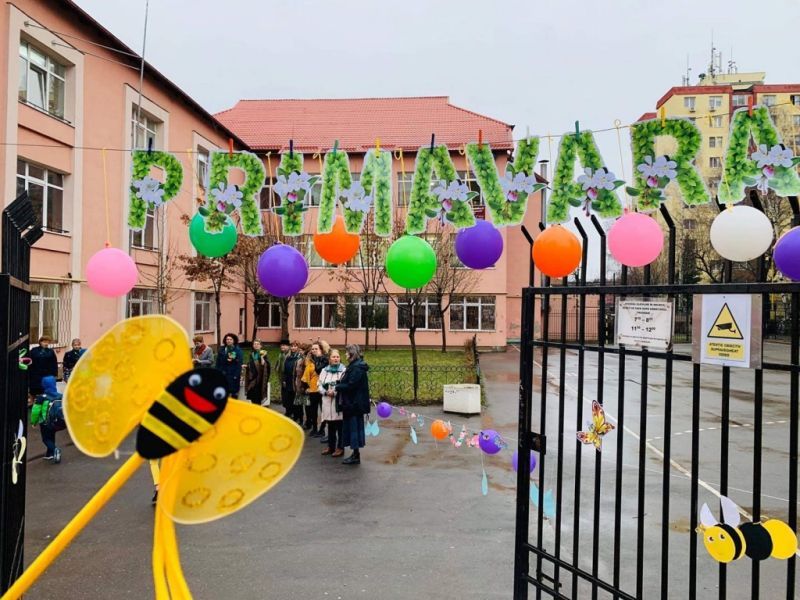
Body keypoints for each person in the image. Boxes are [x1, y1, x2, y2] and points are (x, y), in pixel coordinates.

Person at [335, 344, 370, 465]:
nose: (345, 354)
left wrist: (337, 386)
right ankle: (355, 454)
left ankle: (356, 455)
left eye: (346, 352)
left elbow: (351, 385)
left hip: (354, 404)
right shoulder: (355, 366)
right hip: (353, 403)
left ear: (351, 353)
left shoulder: (356, 368)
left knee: (354, 429)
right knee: (353, 429)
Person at [30, 375, 63, 464]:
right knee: (51, 436)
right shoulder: (60, 396)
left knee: (45, 439)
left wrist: (33, 422)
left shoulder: (41, 398)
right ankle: (50, 454)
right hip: (58, 421)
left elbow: (35, 411)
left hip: (45, 422)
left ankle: (55, 450)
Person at [318, 349, 345, 457]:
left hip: (337, 402)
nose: (336, 359)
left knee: (340, 426)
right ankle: (331, 446)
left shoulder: (344, 371)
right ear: (329, 359)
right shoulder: (325, 370)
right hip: (326, 401)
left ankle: (340, 447)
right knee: (330, 425)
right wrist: (324, 391)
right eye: (333, 357)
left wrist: (335, 392)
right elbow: (319, 384)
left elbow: (344, 385)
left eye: (337, 357)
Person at [302, 342, 328, 437]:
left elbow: (319, 370)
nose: (313, 350)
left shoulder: (324, 359)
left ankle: (322, 429)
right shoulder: (310, 360)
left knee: (323, 410)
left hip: (322, 389)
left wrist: (317, 358)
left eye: (316, 349)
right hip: (312, 388)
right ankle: (314, 428)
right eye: (312, 349)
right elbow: (306, 373)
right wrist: (306, 386)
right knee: (313, 410)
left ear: (321, 349)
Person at [276, 340, 302, 419]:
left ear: (298, 347)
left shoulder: (299, 357)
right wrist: (283, 379)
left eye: (295, 346)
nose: (293, 348)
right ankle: (289, 412)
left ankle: (297, 415)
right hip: (287, 380)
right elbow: (284, 369)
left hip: (295, 381)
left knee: (295, 398)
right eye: (292, 346)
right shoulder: (288, 357)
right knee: (288, 398)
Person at [216, 333, 243, 398]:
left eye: (230, 339)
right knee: (223, 392)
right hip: (222, 373)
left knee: (233, 393)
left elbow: (239, 363)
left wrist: (236, 375)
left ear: (234, 340)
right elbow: (218, 362)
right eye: (227, 339)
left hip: (233, 375)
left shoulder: (237, 350)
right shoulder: (222, 349)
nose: (228, 341)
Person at [245, 340, 271, 405]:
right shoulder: (252, 354)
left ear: (260, 346)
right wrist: (247, 366)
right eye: (254, 344)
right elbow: (251, 364)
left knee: (258, 396)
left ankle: (257, 409)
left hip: (259, 378)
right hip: (252, 378)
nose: (256, 345)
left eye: (257, 344)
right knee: (252, 395)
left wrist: (262, 358)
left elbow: (266, 365)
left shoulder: (263, 353)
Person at [293, 347, 309, 425]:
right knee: (298, 404)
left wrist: (305, 386)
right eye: (300, 350)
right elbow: (295, 374)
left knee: (306, 406)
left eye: (302, 350)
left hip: (305, 386)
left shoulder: (308, 362)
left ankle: (308, 422)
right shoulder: (298, 361)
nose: (301, 352)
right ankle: (300, 419)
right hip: (298, 384)